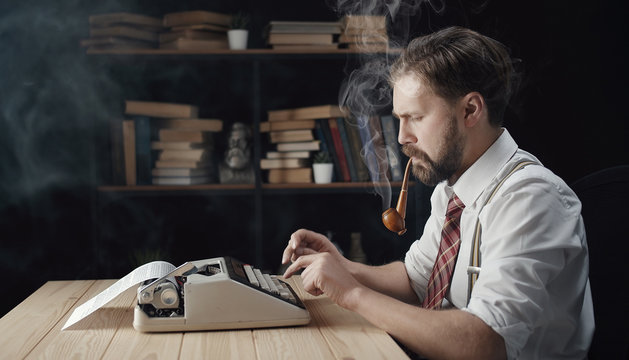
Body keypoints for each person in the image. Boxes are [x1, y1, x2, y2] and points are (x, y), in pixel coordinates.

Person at [281, 26, 594, 359]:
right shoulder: (452, 189)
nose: (402, 137)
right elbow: (416, 280)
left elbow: (485, 342)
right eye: (400, 119)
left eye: (415, 117)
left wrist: (353, 294)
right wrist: (342, 266)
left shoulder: (530, 200)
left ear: (470, 110)